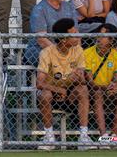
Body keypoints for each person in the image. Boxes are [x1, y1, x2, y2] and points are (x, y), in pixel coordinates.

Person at [36, 18, 95, 150]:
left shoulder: (78, 50)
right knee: (45, 95)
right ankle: (49, 137)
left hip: (71, 94)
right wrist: (58, 90)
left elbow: (83, 81)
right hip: (52, 93)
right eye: (73, 33)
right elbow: (39, 83)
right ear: (63, 39)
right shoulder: (47, 52)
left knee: (83, 89)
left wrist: (79, 78)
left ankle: (83, 137)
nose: (77, 35)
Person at [23, 0, 78, 66]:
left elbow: (76, 34)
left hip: (66, 48)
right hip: (41, 49)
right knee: (52, 58)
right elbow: (42, 40)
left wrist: (75, 52)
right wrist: (60, 53)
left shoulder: (69, 7)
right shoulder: (39, 9)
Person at [84, 23, 117, 141]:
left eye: (103, 35)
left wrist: (115, 86)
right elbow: (90, 82)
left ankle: (114, 135)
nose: (99, 37)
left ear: (111, 39)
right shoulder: (87, 53)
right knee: (97, 93)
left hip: (109, 91)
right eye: (99, 34)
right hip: (93, 92)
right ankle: (104, 136)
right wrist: (105, 87)